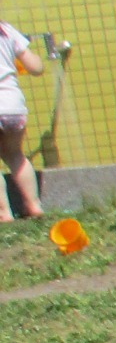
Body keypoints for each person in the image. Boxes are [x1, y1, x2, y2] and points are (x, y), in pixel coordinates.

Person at [0, 20, 45, 221]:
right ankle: (33, 205)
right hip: (13, 105)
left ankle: (3, 212)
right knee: (16, 155)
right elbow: (35, 67)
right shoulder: (6, 30)